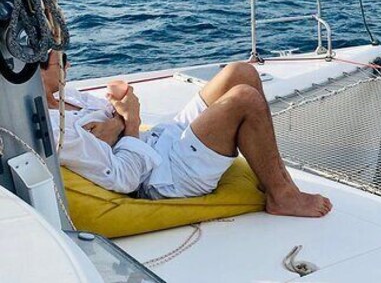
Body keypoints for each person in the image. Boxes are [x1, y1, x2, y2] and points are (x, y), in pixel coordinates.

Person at [40, 50, 332, 217]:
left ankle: (278, 179)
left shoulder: (67, 96)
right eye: (52, 60)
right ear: (33, 73)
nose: (63, 59)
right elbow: (124, 178)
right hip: (162, 175)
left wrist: (118, 124)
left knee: (241, 72)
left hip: (159, 140)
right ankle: (282, 196)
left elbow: (116, 103)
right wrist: (130, 121)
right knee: (246, 98)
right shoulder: (58, 131)